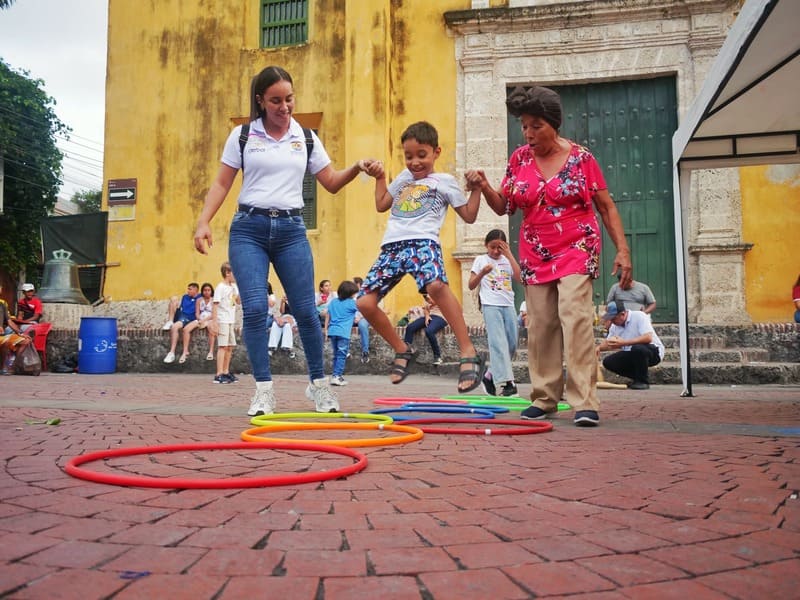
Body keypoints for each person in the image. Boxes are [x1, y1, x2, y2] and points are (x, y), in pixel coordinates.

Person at [193, 65, 378, 416]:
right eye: (275, 100)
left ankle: (319, 386)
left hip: (292, 230)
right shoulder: (243, 135)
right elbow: (221, 184)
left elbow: (332, 182)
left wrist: (356, 168)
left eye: (289, 99)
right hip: (249, 228)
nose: (284, 107)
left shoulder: (305, 137)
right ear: (261, 101)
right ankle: (264, 390)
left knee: (306, 312)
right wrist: (204, 221)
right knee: (256, 308)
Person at [466, 85, 632, 427]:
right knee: (541, 324)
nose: (528, 134)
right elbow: (504, 207)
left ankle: (584, 400)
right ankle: (544, 397)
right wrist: (483, 186)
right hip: (536, 250)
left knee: (574, 315)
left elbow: (606, 207)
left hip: (577, 245)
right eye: (524, 126)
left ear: (553, 124)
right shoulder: (519, 159)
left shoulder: (582, 159)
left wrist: (623, 250)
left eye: (535, 126)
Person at [357, 121, 485, 392]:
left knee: (436, 286)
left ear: (436, 152)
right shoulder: (403, 178)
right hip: (391, 246)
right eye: (409, 156)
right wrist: (380, 177)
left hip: (423, 242)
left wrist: (478, 188)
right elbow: (382, 204)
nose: (415, 162)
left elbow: (469, 216)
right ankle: (403, 349)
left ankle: (468, 350)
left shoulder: (445, 182)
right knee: (365, 303)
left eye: (422, 155)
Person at [469, 229, 521, 397]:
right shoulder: (480, 260)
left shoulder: (507, 260)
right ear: (486, 245)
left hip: (508, 304)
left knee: (512, 343)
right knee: (498, 343)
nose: (496, 251)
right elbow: (471, 284)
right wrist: (483, 273)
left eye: (500, 247)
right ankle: (508, 384)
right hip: (490, 305)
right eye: (492, 247)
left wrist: (510, 254)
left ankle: (489, 376)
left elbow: (520, 278)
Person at [597, 301, 664, 390]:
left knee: (638, 348)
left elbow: (648, 338)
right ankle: (638, 377)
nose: (612, 321)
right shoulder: (614, 326)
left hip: (652, 351)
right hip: (632, 353)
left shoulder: (639, 316)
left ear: (623, 314)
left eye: (614, 319)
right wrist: (598, 348)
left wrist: (624, 343)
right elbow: (609, 343)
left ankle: (642, 382)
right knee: (608, 362)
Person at [325, 280, 359, 386]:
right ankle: (336, 376)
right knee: (341, 355)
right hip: (343, 332)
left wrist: (326, 330)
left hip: (332, 331)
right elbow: (364, 310)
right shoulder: (352, 303)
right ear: (350, 293)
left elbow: (327, 315)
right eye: (354, 293)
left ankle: (335, 375)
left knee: (336, 354)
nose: (355, 295)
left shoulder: (334, 302)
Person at [213, 263, 240, 384]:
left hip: (231, 319)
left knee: (230, 346)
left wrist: (238, 291)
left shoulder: (234, 286)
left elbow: (238, 301)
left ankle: (225, 371)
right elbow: (215, 304)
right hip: (222, 319)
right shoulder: (220, 287)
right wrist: (215, 322)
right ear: (227, 273)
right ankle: (218, 374)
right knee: (222, 346)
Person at [402, 293, 448, 365]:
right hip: (430, 316)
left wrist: (430, 299)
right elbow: (426, 309)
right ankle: (407, 351)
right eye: (426, 298)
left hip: (441, 317)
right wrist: (427, 316)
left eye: (428, 298)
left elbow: (435, 302)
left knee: (429, 331)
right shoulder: (427, 297)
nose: (427, 300)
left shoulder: (441, 295)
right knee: (410, 327)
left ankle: (437, 356)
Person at [163, 283, 200, 364]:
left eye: (190, 289)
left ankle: (171, 352)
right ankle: (170, 320)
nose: (188, 291)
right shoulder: (185, 297)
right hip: (181, 315)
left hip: (188, 318)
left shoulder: (199, 298)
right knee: (174, 298)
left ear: (195, 290)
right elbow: (180, 307)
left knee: (174, 327)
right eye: (188, 289)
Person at [1, 301, 32, 375]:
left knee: (25, 340)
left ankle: (13, 366)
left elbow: (9, 321)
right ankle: (2, 367)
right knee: (5, 342)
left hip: (2, 335)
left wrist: (20, 333)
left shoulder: (2, 305)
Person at [195, 282, 218, 361]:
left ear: (211, 291)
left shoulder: (214, 300)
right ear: (202, 291)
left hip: (210, 319)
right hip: (200, 319)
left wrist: (204, 320)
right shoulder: (199, 300)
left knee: (210, 328)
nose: (207, 292)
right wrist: (200, 319)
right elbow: (197, 313)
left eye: (208, 290)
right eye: (205, 290)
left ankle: (211, 351)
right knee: (186, 329)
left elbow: (213, 314)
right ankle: (185, 352)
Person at [352, 276, 371, 363]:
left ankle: (365, 352)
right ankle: (344, 350)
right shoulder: (350, 296)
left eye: (353, 283)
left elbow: (369, 309)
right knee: (342, 324)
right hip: (353, 317)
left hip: (364, 317)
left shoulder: (366, 294)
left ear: (358, 284)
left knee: (362, 325)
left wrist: (360, 317)